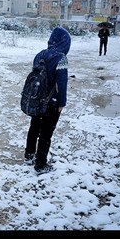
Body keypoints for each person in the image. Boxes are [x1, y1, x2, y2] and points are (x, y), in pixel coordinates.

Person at [24, 26, 71, 174]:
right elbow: (61, 83)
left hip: (37, 100)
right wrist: (62, 103)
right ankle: (41, 164)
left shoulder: (40, 54)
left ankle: (29, 155)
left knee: (34, 127)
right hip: (52, 102)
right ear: (65, 43)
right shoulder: (61, 58)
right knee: (46, 133)